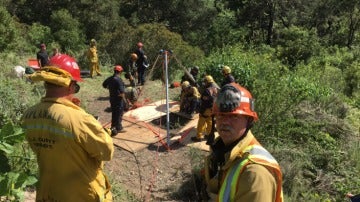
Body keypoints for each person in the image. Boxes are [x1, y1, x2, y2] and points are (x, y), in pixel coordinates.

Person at [21, 54, 114, 202]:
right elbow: (106, 153)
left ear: (46, 83)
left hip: (48, 192)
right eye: (75, 87)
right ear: (70, 85)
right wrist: (102, 133)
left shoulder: (28, 115)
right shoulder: (80, 119)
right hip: (81, 194)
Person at [201, 83, 283, 201]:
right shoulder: (223, 152)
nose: (225, 122)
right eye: (220, 115)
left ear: (249, 120)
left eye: (234, 116)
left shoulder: (255, 173)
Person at [191, 75, 219, 142]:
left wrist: (202, 110)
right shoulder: (215, 88)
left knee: (201, 123)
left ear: (207, 82)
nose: (204, 83)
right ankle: (208, 135)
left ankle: (198, 137)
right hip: (212, 108)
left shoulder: (207, 90)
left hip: (206, 108)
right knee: (209, 121)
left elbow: (204, 100)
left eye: (205, 82)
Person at [102, 65, 126, 136]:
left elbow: (104, 84)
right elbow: (122, 92)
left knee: (114, 112)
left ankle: (113, 126)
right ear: (120, 72)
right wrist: (125, 100)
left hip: (112, 98)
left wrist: (109, 88)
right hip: (118, 99)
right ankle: (118, 128)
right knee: (119, 113)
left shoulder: (110, 78)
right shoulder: (119, 80)